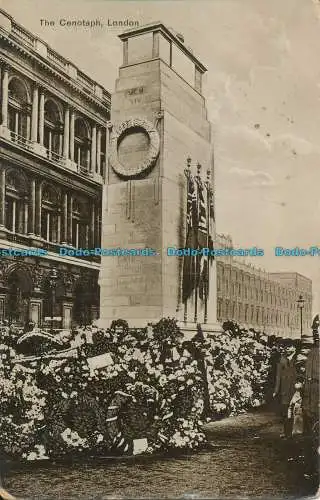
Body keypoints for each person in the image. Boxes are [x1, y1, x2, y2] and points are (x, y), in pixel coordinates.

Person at [273, 343, 297, 438]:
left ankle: (292, 432)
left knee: (295, 411)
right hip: (285, 391)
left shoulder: (298, 360)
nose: (287, 349)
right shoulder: (281, 361)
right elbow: (278, 377)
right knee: (286, 411)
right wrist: (276, 390)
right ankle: (287, 432)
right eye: (286, 347)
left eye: (290, 347)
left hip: (295, 390)